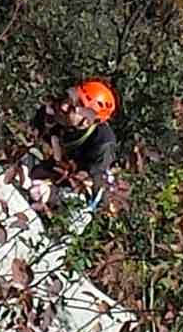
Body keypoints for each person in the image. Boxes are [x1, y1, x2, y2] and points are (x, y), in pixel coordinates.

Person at [17, 78, 120, 229]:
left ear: (87, 121)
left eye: (73, 108)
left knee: (73, 208)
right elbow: (31, 139)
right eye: (67, 99)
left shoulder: (102, 144)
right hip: (52, 171)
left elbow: (89, 184)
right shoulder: (52, 114)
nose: (63, 106)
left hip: (77, 192)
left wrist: (52, 190)